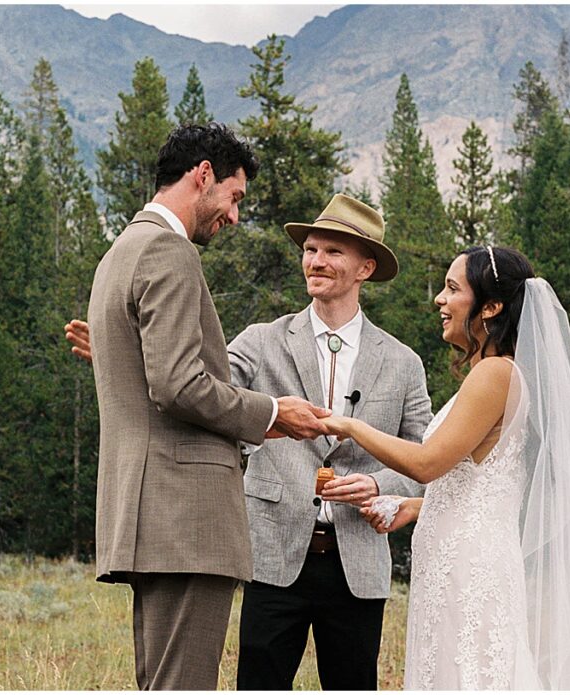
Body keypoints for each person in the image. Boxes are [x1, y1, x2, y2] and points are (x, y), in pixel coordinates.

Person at [68, 194, 431, 690]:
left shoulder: (403, 362)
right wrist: (125, 352)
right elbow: (193, 388)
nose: (316, 261)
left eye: (332, 252)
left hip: (358, 563)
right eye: (310, 249)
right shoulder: (260, 341)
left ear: (366, 267)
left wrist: (374, 482)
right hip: (272, 556)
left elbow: (422, 458)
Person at [83, 122, 329, 691]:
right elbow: (176, 383)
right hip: (184, 519)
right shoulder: (169, 252)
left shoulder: (121, 251)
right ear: (202, 176)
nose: (236, 216)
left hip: (147, 513)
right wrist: (272, 414)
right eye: (235, 197)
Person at [322, 246, 570, 689]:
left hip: (469, 566)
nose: (439, 301)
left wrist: (349, 425)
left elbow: (427, 463)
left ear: (491, 306)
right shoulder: (497, 373)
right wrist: (413, 507)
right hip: (458, 556)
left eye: (451, 289)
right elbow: (487, 482)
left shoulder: (495, 374)